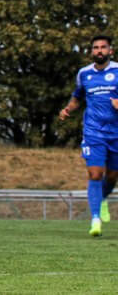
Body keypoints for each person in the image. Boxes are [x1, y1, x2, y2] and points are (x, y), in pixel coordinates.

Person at [59, 34, 118, 237]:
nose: (99, 51)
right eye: (95, 48)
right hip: (93, 132)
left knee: (112, 176)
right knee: (95, 173)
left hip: (116, 133)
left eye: (103, 47)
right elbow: (77, 96)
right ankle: (95, 219)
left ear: (111, 51)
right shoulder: (84, 74)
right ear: (92, 51)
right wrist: (68, 109)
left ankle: (101, 200)